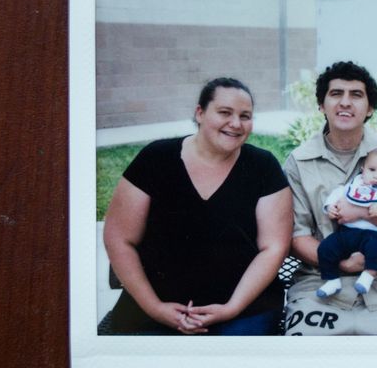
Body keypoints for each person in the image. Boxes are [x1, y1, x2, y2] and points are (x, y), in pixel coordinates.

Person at [100, 78, 292, 335]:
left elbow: (274, 247)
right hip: (154, 306)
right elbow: (119, 238)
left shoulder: (263, 167)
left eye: (245, 116)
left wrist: (232, 308)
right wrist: (155, 308)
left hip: (244, 309)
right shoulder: (155, 158)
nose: (236, 123)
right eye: (224, 112)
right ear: (200, 113)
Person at [283, 61, 377, 335]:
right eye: (336, 93)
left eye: (356, 95)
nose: (345, 102)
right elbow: (296, 236)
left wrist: (362, 212)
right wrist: (341, 263)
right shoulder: (299, 162)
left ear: (370, 108)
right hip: (319, 288)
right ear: (321, 104)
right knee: (302, 363)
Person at [316, 147, 377, 298]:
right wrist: (329, 207)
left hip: (373, 233)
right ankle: (332, 280)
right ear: (362, 170)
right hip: (347, 232)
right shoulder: (355, 185)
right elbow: (338, 193)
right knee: (325, 248)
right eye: (372, 169)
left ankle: (367, 276)